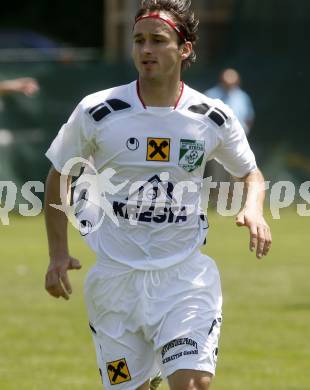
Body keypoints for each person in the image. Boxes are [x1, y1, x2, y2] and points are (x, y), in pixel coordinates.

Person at [44, 1, 272, 389]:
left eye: (157, 40)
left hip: (184, 279)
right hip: (115, 285)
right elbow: (58, 175)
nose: (145, 50)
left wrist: (254, 208)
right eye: (139, 40)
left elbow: (251, 173)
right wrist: (58, 253)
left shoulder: (211, 116)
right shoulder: (98, 111)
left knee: (194, 383)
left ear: (184, 49)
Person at [204, 68, 255, 136]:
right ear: (221, 80)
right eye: (226, 82)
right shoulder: (210, 95)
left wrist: (246, 132)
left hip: (237, 135)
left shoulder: (243, 97)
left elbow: (249, 117)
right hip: (214, 135)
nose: (229, 84)